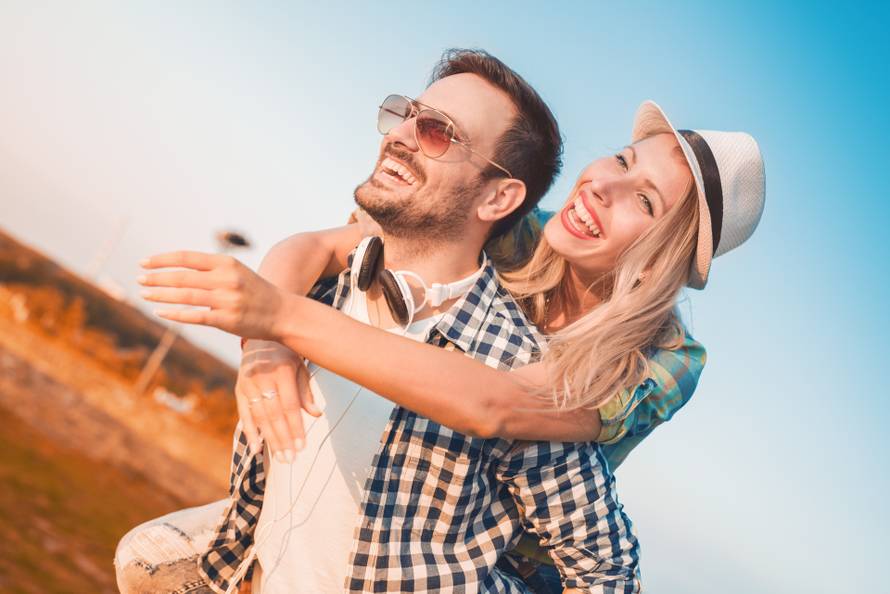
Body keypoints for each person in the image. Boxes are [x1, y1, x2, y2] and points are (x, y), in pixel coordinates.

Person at [126, 49, 646, 594]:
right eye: (407, 115)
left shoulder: (518, 376)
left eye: (438, 132)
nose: (400, 136)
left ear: (498, 196)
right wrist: (264, 341)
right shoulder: (321, 286)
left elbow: (609, 574)